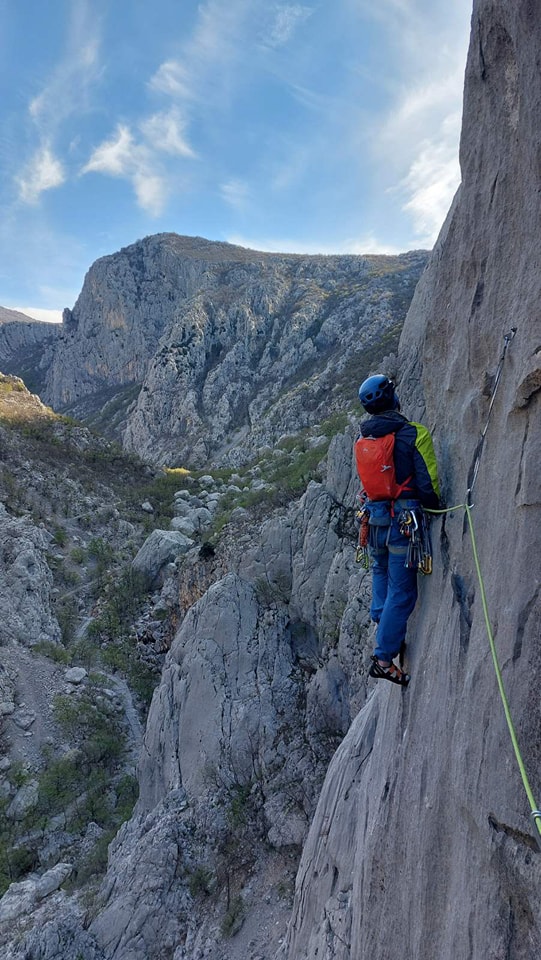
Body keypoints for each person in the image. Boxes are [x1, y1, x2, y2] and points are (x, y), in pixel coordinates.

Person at [355, 374, 440, 687]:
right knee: (403, 591)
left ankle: (383, 624)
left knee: (380, 572)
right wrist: (437, 508)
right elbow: (428, 485)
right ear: (393, 398)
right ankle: (383, 657)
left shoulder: (364, 440)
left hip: (374, 520)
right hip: (403, 522)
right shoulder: (413, 434)